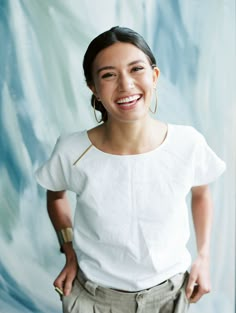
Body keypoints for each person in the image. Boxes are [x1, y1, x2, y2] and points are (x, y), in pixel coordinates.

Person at [35, 26, 226, 313]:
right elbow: (56, 196)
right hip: (92, 299)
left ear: (154, 76)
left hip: (171, 297)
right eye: (108, 75)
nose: (125, 85)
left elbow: (201, 193)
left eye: (136, 69)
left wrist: (203, 257)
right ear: (94, 89)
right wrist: (70, 251)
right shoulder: (72, 150)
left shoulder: (188, 143)